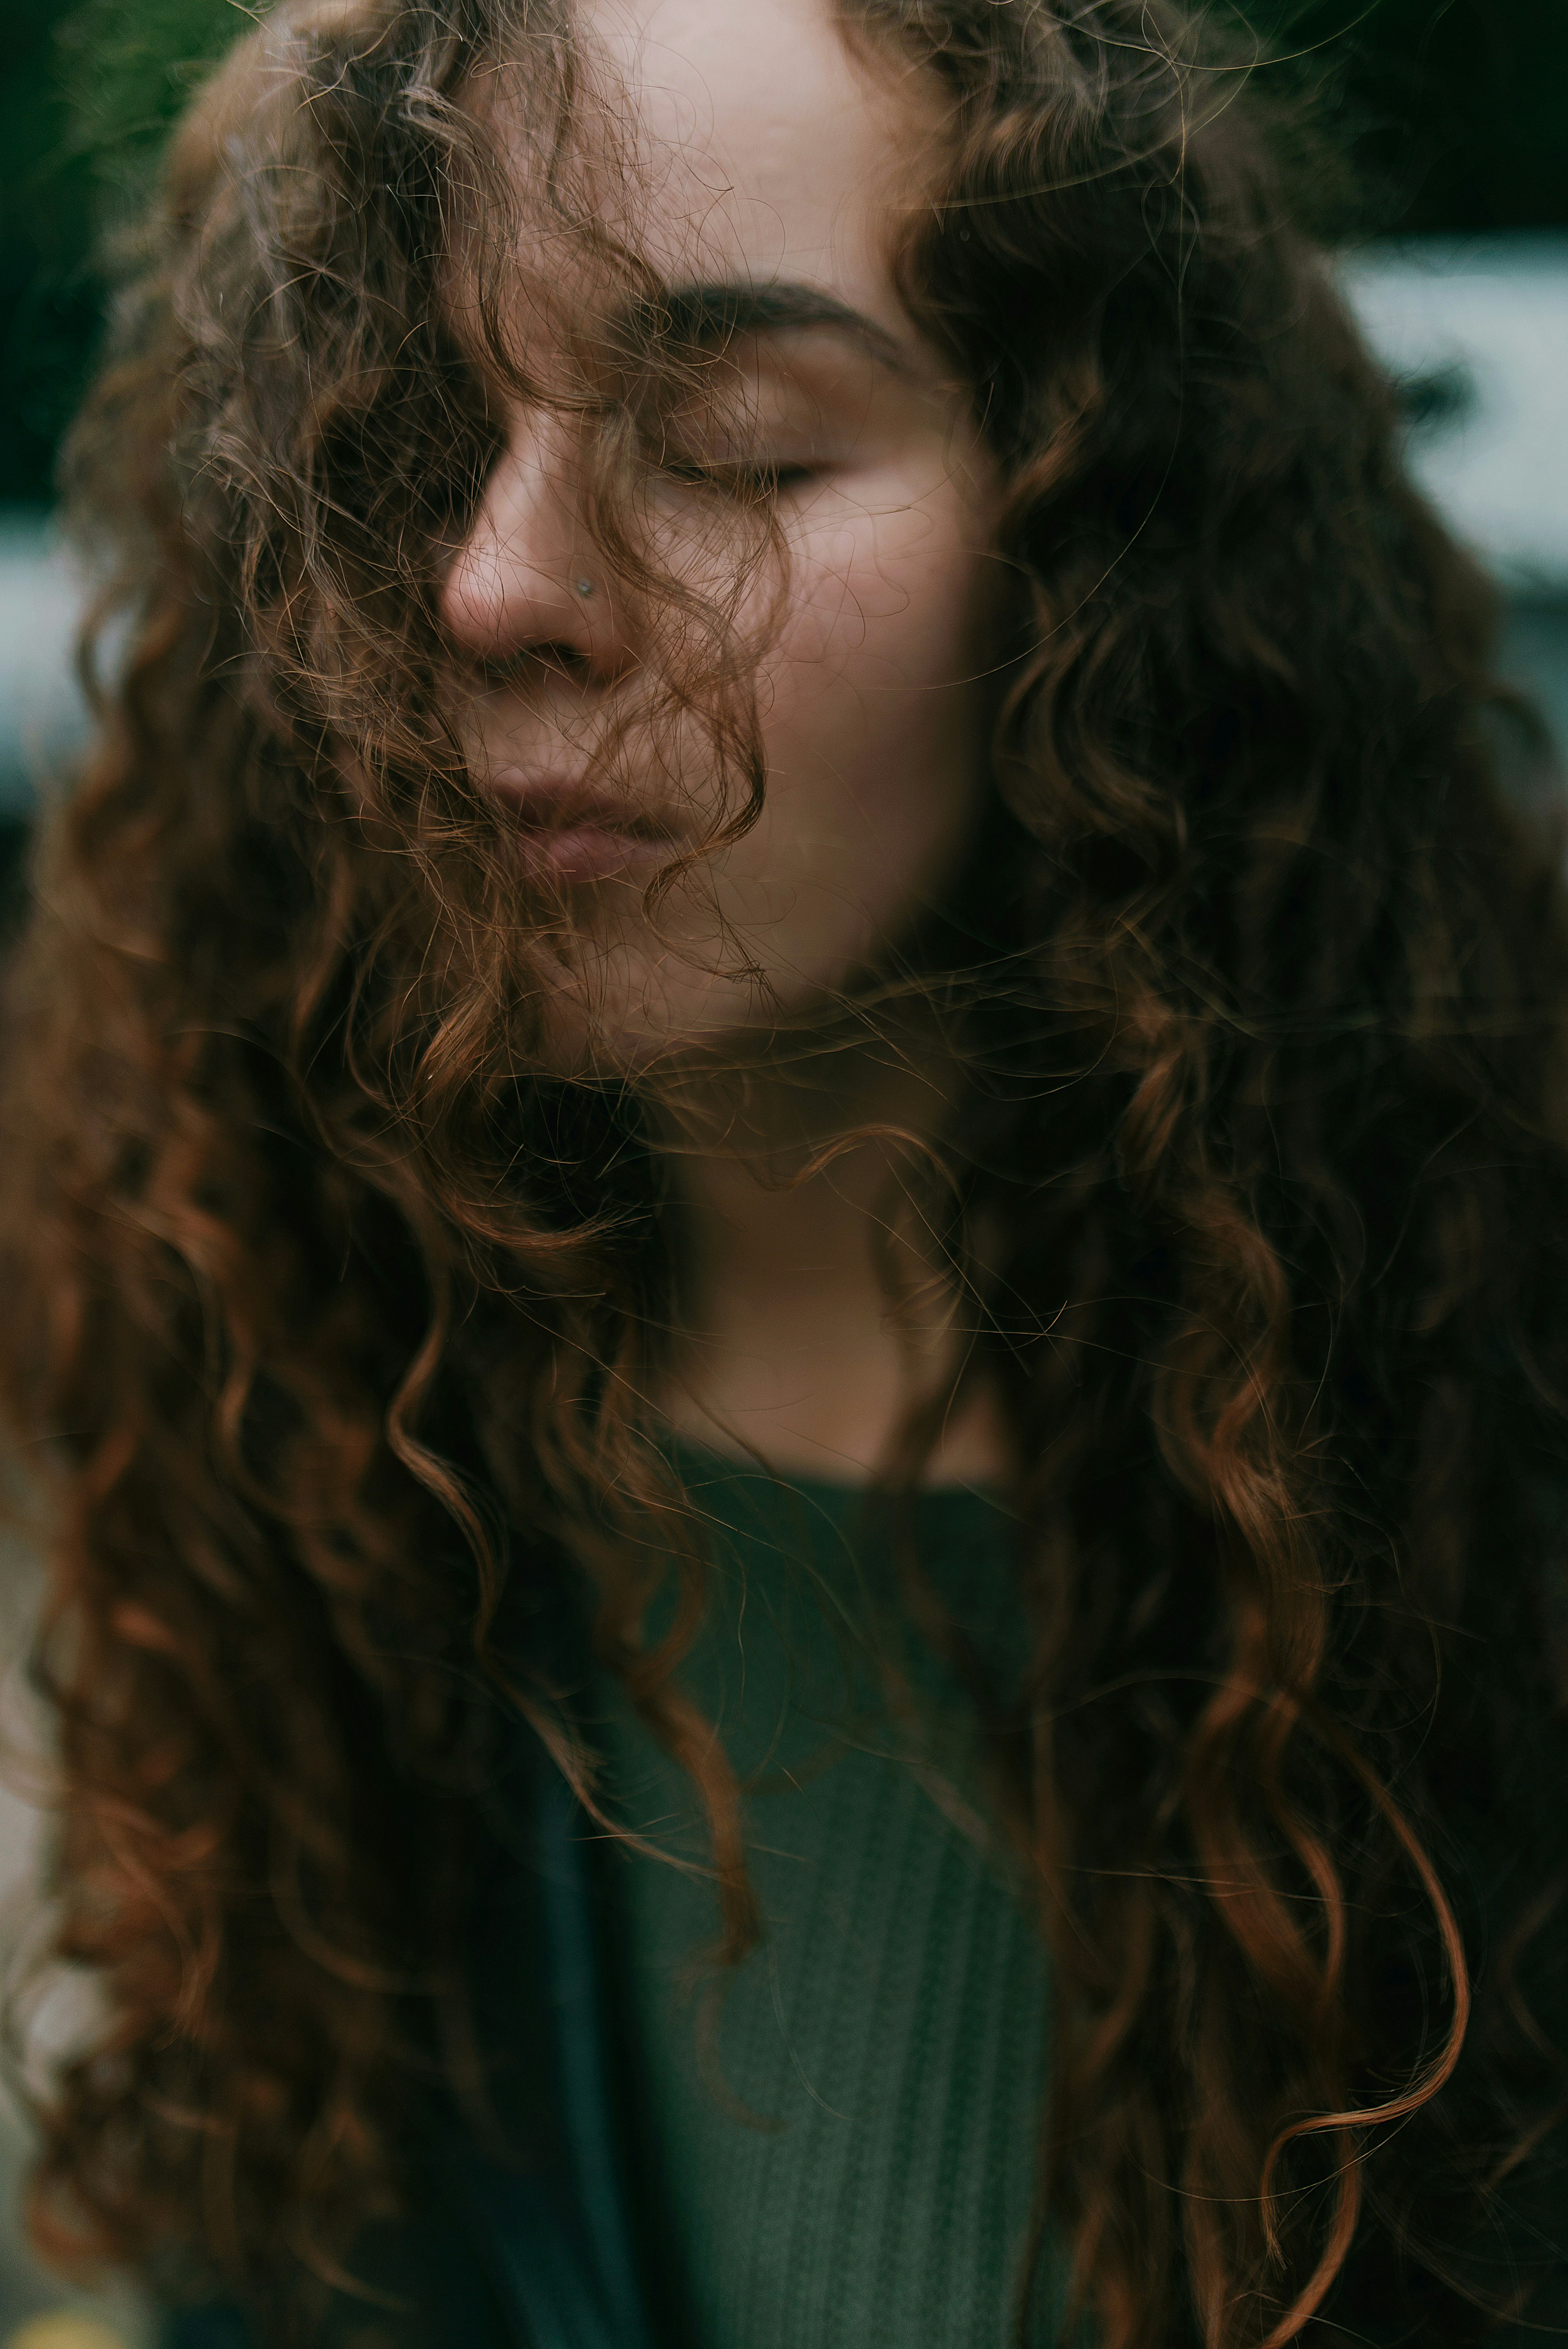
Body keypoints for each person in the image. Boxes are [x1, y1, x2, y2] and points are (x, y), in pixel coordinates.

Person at [3, 0, 1567, 2341]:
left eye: (729, 446)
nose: (489, 586)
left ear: (1100, 528)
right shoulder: (314, 1421)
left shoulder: (1486, 1452)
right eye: (412, 437)